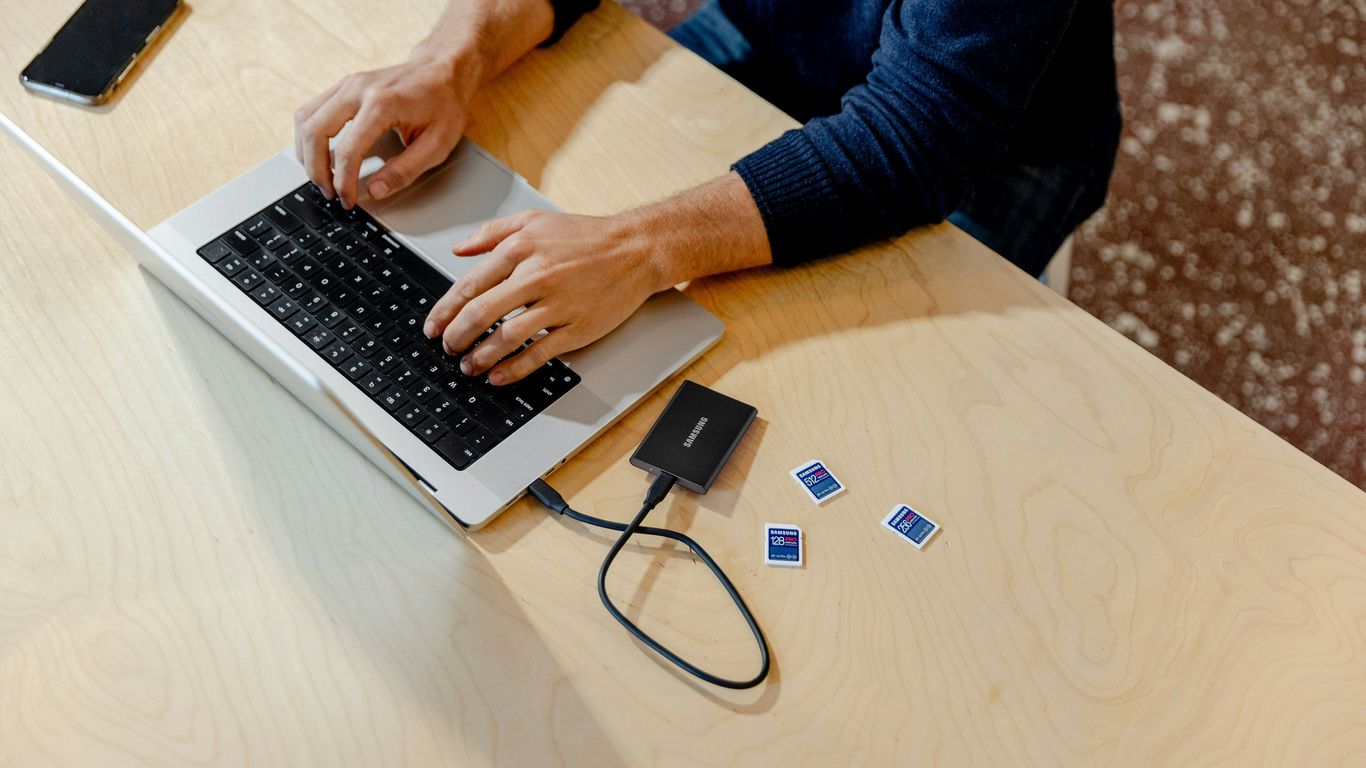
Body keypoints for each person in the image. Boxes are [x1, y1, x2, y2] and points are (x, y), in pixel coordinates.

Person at [294, 0, 1121, 386]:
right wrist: (458, 53)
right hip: (770, 30)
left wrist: (638, 246)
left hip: (995, 148)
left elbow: (921, 130)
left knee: (860, 415)